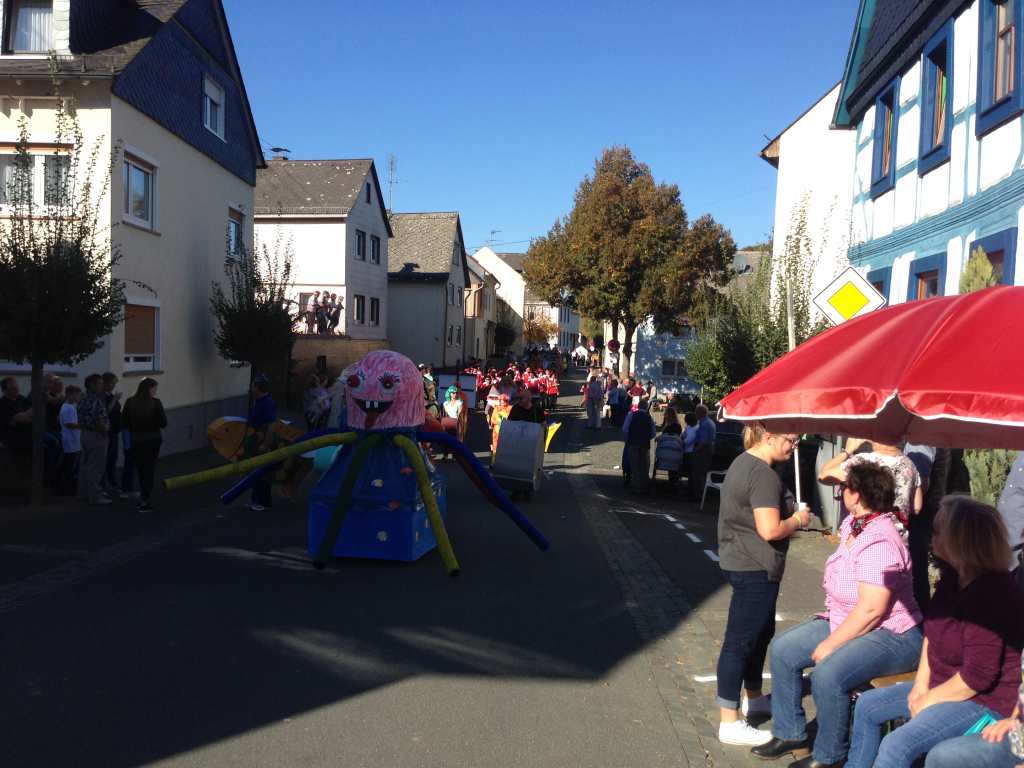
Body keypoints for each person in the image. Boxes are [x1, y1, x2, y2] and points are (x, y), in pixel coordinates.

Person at [752, 463, 923, 767]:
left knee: (829, 674)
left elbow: (873, 610)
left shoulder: (881, 540)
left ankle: (830, 755)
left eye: (844, 487)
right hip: (846, 619)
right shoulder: (853, 524)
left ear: (856, 495)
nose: (840, 492)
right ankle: (790, 732)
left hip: (892, 633)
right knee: (783, 650)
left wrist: (831, 645)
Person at [847, 495, 1024, 768]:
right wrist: (920, 688)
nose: (932, 536)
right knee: (868, 706)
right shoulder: (953, 577)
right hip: (943, 685)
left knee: (897, 745)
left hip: (983, 700)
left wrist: (928, 700)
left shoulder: (994, 593)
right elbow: (932, 632)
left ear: (959, 540)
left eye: (938, 531)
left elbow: (976, 678)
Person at [715, 422, 809, 746]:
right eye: (790, 440)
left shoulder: (744, 463)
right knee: (740, 641)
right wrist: (797, 520)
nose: (793, 446)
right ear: (768, 436)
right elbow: (769, 530)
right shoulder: (764, 474)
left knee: (760, 632)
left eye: (797, 441)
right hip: (754, 565)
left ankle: (753, 698)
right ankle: (729, 720)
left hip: (741, 560)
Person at [820, 438, 922, 527]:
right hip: (897, 537)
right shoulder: (910, 465)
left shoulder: (863, 461)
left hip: (866, 534)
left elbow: (823, 475)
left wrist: (847, 451)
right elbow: (917, 507)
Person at [121, 377, 166, 513]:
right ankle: (145, 498)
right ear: (149, 389)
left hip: (136, 440)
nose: (155, 391)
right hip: (152, 439)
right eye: (154, 389)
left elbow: (124, 422)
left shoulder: (130, 402)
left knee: (141, 468)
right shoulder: (156, 403)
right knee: (149, 468)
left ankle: (143, 496)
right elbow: (163, 422)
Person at [77, 373, 111, 505]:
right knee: (96, 467)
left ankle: (83, 493)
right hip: (97, 436)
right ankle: (95, 496)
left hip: (85, 434)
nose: (102, 386)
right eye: (100, 383)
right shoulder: (96, 400)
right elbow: (98, 420)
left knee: (85, 465)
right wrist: (105, 429)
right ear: (92, 385)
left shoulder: (83, 399)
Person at [246, 374, 277, 512]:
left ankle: (262, 501)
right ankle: (256, 499)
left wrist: (266, 443)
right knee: (256, 470)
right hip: (256, 441)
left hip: (262, 442)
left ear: (258, 387)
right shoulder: (259, 401)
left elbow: (271, 424)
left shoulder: (267, 403)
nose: (251, 387)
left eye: (253, 385)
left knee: (261, 472)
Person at [101, 372, 127, 497]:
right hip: (107, 433)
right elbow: (105, 411)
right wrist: (115, 399)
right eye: (112, 383)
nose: (114, 385)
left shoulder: (110, 395)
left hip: (114, 432)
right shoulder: (102, 396)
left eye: (115, 383)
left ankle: (112, 484)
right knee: (105, 460)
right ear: (105, 383)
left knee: (112, 459)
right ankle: (103, 486)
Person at [622, 398, 656, 494]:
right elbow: (653, 433)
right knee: (644, 466)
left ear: (638, 406)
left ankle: (636, 486)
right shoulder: (649, 417)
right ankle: (643, 486)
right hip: (644, 445)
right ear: (646, 407)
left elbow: (625, 429)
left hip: (633, 443)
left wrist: (628, 438)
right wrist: (646, 437)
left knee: (635, 466)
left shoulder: (631, 415)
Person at [58, 385, 82, 496]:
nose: (79, 397)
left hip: (74, 441)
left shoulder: (71, 406)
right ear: (70, 394)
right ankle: (66, 489)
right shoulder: (68, 408)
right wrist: (83, 425)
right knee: (70, 466)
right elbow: (69, 424)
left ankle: (69, 488)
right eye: (77, 394)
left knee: (73, 466)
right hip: (70, 441)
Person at [690, 404, 716, 501]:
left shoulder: (705, 424)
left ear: (700, 413)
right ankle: (700, 494)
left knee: (699, 473)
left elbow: (703, 442)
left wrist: (695, 451)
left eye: (696, 412)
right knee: (701, 473)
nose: (695, 414)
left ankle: (699, 496)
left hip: (703, 451)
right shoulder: (707, 422)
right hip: (706, 450)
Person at [653, 407, 684, 486]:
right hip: (675, 457)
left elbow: (662, 439)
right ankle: (674, 481)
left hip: (663, 457)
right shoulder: (678, 427)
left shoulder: (666, 428)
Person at [0, 376, 32, 452]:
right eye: (12, 388)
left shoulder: (21, 398)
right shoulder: (2, 403)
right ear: (4, 390)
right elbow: (21, 419)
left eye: (16, 386)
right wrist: (27, 415)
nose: (17, 389)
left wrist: (25, 415)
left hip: (28, 434)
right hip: (12, 438)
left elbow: (36, 412)